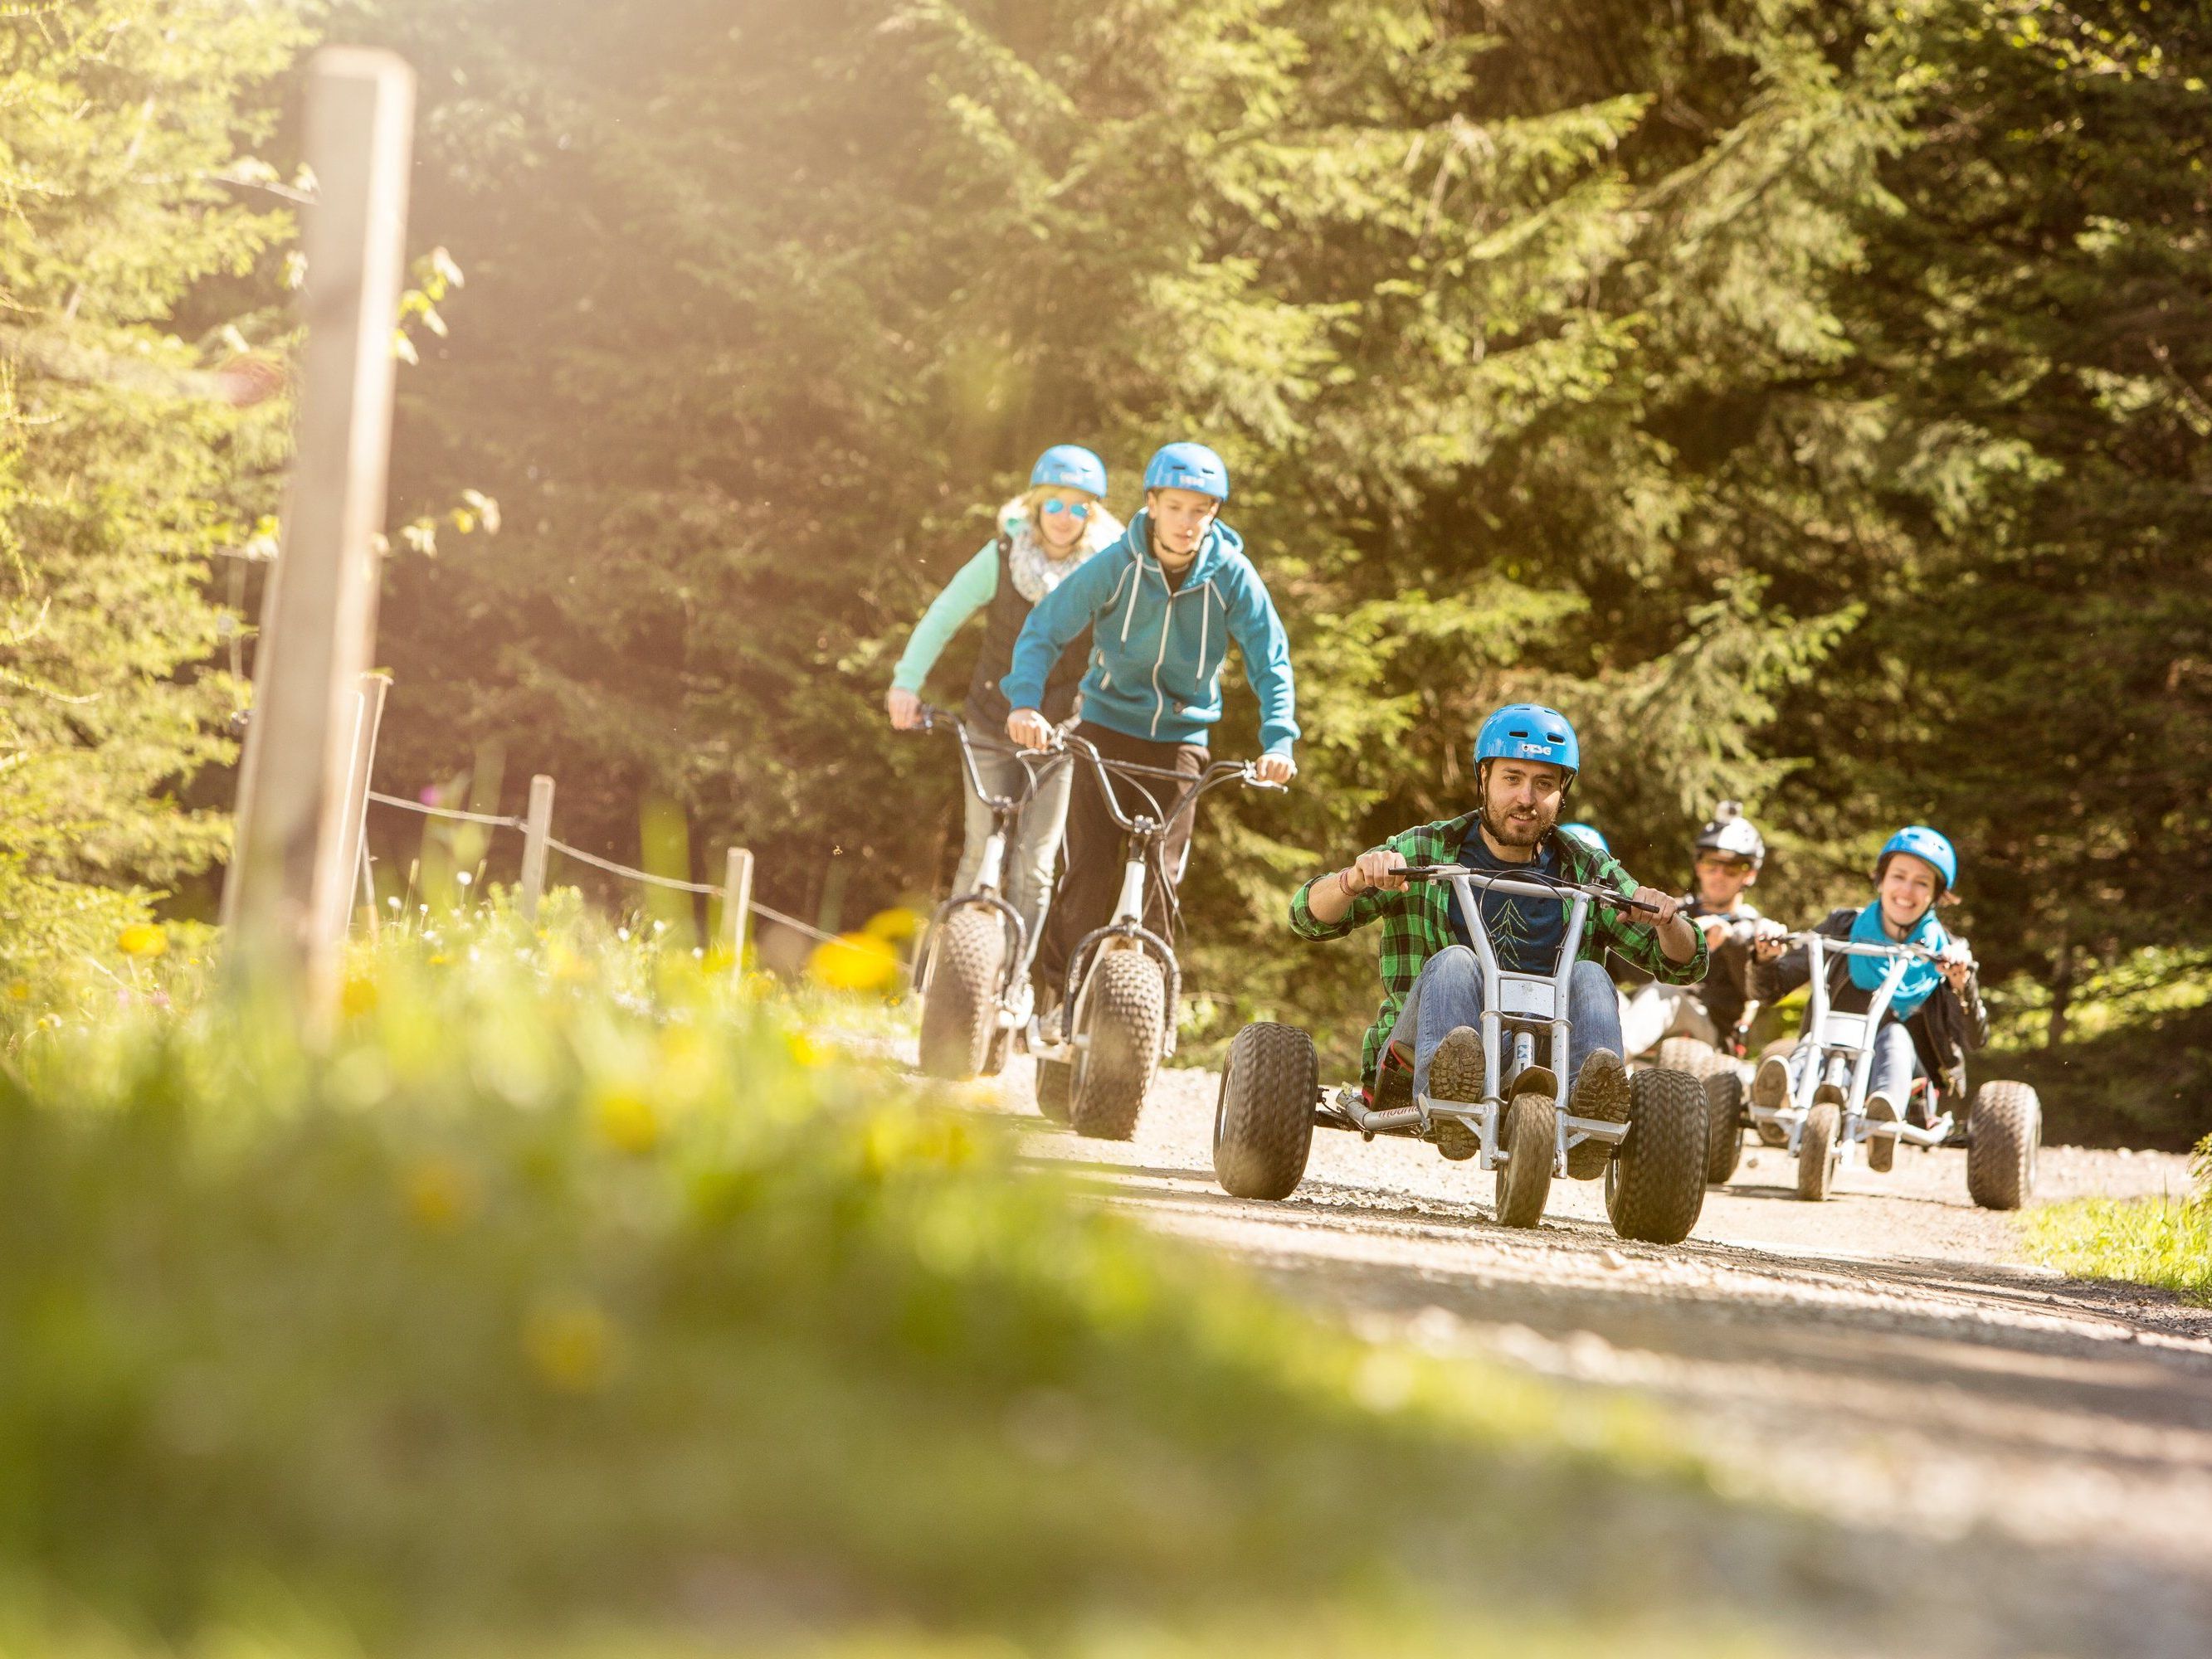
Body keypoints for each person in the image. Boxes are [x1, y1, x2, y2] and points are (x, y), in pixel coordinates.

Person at [1289, 703, 1708, 1175]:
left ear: (1561, 793)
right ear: (1483, 777)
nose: (1526, 798)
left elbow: (1685, 965)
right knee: (1455, 962)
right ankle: (1449, 1096)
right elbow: (1307, 917)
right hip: (1424, 1055)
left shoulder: (1587, 869)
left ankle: (1591, 1120)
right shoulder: (1425, 851)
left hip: (1550, 1060)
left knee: (1590, 975)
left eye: (1544, 784)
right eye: (1512, 778)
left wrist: (1668, 920)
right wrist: (1354, 880)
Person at [1001, 442, 1297, 1019]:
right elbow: (1044, 628)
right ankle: (1058, 998)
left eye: (1201, 511)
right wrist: (1024, 704)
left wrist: (1279, 741)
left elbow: (1271, 659)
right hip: (1105, 728)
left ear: (1214, 514)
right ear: (1152, 504)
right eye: (1177, 508)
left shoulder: (1233, 577)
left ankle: (1145, 1012)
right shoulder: (1116, 564)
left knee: (1163, 876)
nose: (1188, 523)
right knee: (1085, 869)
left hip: (1182, 740)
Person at [887, 445, 1121, 953]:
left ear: (1092, 514)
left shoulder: (1105, 573)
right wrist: (906, 682)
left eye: (1078, 507)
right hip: (991, 723)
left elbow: (1121, 646)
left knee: (1035, 867)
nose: (1064, 517)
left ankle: (1014, 982)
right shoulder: (1000, 556)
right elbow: (944, 613)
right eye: (1054, 504)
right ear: (1035, 505)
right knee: (980, 849)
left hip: (1060, 734)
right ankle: (947, 984)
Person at [1747, 825, 1987, 1170]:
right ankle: (1783, 1091)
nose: (1907, 890)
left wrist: (1962, 985)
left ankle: (1884, 1113)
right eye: (1899, 876)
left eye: (1921, 882)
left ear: (1936, 894)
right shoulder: (1843, 927)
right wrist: (1765, 956)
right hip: (1831, 1054)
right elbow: (1768, 991)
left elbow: (1974, 1039)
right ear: (1881, 879)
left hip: (1907, 1074)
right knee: (1820, 1038)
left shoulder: (1948, 953)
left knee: (1896, 1036)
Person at [1620, 802, 1776, 1058]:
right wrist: (1680, 931)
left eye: (1732, 868)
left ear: (1749, 875)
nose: (1719, 875)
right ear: (1697, 866)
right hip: (1649, 1013)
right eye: (1710, 865)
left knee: (1666, 993)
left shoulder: (1755, 928)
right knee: (1606, 991)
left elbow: (1757, 992)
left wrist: (1731, 943)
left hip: (1711, 1033)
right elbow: (1626, 965)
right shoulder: (1675, 910)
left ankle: (1607, 1061)